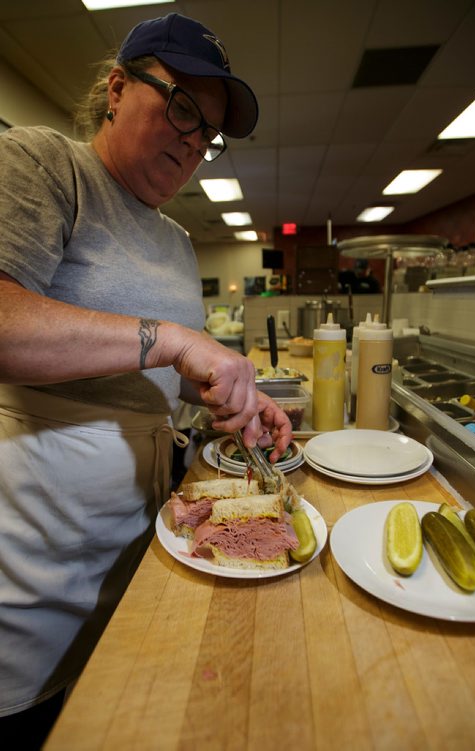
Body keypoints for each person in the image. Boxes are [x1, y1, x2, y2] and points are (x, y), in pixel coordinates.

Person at [0, 13, 292, 748]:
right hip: (28, 587)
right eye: (183, 107)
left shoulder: (178, 242)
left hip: (139, 572)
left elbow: (162, 377)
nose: (194, 143)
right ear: (118, 86)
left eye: (209, 133)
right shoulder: (43, 165)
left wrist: (236, 397)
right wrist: (171, 340)